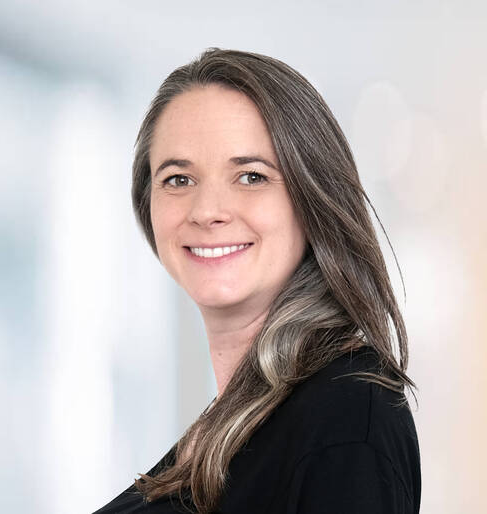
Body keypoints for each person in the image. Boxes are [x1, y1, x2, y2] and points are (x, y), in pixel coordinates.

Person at [95, 49, 420, 513]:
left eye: (251, 176)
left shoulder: (346, 419)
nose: (207, 212)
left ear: (313, 197)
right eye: (179, 179)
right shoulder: (239, 422)